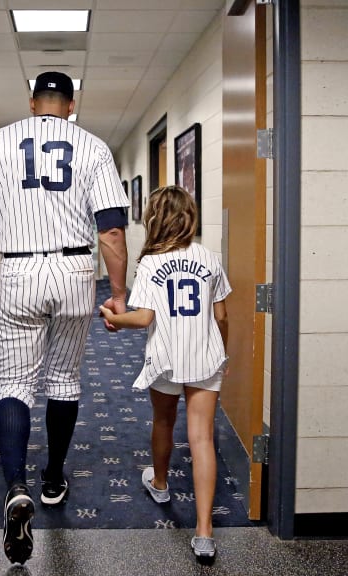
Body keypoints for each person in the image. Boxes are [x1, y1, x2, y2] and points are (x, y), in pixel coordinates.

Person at [0, 71, 130, 565]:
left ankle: (16, 486)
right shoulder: (94, 147)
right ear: (71, 105)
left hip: (18, 270)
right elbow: (112, 231)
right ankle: (53, 477)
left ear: (33, 102)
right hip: (76, 271)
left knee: (14, 381)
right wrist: (119, 294)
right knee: (64, 379)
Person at [98, 185, 230, 564]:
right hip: (204, 358)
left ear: (154, 219)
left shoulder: (152, 263)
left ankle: (159, 482)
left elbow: (143, 318)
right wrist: (221, 352)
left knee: (163, 421)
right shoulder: (209, 258)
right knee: (202, 438)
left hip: (166, 357)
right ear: (189, 217)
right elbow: (222, 316)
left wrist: (113, 318)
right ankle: (204, 532)